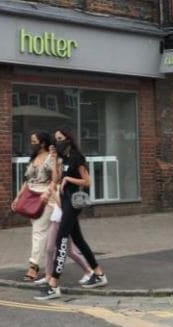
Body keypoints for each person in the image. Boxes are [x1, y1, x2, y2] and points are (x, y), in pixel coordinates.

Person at [35, 127, 107, 300]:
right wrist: (54, 158)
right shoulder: (64, 158)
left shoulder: (76, 157)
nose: (57, 142)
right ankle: (99, 274)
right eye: (56, 139)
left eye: (60, 138)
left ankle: (54, 284)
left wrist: (68, 179)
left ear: (68, 139)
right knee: (79, 240)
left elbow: (87, 182)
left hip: (73, 203)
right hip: (64, 202)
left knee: (61, 240)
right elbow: (56, 179)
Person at [11, 131, 57, 281]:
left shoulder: (52, 158)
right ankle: (53, 263)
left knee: (39, 231)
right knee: (44, 232)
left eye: (34, 141)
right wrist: (17, 197)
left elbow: (55, 180)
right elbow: (27, 180)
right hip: (30, 196)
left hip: (45, 198)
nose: (31, 144)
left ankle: (33, 266)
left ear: (42, 143)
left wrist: (47, 193)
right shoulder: (34, 158)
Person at [35, 185, 94, 287]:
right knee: (49, 249)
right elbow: (57, 206)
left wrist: (53, 192)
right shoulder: (58, 186)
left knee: (69, 251)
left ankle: (88, 271)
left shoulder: (65, 188)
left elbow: (62, 205)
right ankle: (48, 276)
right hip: (55, 221)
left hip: (65, 222)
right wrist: (48, 203)